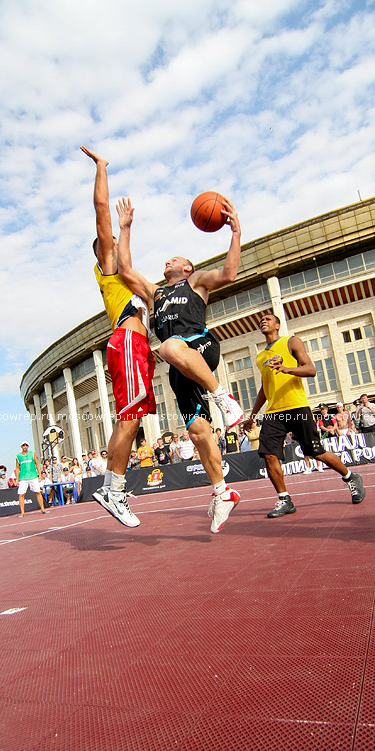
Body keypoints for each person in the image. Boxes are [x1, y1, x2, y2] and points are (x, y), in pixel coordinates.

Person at [116, 196, 242, 533]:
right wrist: (125, 228)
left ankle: (223, 397)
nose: (168, 260)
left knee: (170, 345)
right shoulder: (155, 293)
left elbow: (230, 273)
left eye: (176, 258)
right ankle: (221, 493)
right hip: (179, 367)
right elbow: (125, 270)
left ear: (186, 268)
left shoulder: (197, 281)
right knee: (199, 431)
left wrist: (235, 232)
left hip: (199, 346)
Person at [81, 146, 156, 528]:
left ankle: (113, 485)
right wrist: (102, 168)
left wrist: (127, 229)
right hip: (126, 341)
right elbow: (101, 208)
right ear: (102, 251)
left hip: (138, 346)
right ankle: (113, 488)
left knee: (133, 418)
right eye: (107, 239)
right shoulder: (108, 267)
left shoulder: (126, 275)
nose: (110, 240)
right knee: (128, 418)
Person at [244, 313, 366, 517]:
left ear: (277, 324)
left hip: (297, 407)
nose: (263, 321)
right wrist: (253, 415)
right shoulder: (260, 357)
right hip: (274, 412)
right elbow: (265, 388)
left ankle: (350, 477)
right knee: (268, 453)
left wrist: (286, 368)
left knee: (316, 451)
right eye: (261, 320)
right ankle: (285, 499)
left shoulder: (291, 341)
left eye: (268, 319)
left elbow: (311, 369)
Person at [15, 441, 47, 517]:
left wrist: (39, 474)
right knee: (21, 494)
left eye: (26, 445)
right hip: (23, 477)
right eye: (23, 445)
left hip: (33, 476)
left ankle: (42, 509)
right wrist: (17, 479)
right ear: (21, 447)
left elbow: (37, 464)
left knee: (38, 492)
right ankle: (22, 512)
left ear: (28, 446)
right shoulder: (18, 456)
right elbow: (17, 468)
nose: (25, 446)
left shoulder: (32, 453)